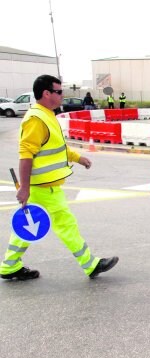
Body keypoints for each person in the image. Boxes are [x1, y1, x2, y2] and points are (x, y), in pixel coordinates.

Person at [0, 75, 119, 281]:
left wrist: (78, 158)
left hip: (44, 186)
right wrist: (25, 188)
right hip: (44, 187)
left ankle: (9, 266)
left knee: (28, 226)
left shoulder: (47, 115)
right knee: (66, 224)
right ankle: (90, 264)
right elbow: (26, 154)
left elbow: (57, 147)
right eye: (59, 91)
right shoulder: (36, 119)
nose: (63, 95)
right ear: (46, 94)